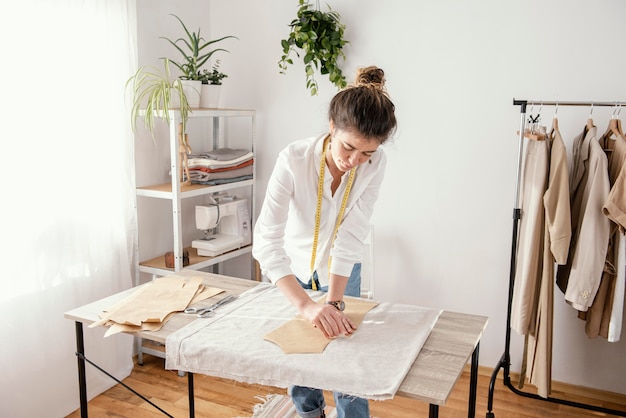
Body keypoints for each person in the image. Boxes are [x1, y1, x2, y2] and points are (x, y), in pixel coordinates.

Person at [252, 66, 397, 418]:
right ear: (332, 126)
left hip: (343, 273)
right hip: (295, 270)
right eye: (348, 148)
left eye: (367, 154)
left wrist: (333, 302)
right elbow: (265, 242)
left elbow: (351, 235)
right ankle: (309, 414)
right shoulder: (293, 160)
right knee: (302, 365)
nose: (354, 162)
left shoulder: (375, 166)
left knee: (348, 364)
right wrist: (306, 306)